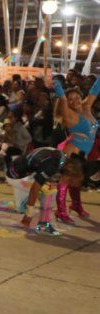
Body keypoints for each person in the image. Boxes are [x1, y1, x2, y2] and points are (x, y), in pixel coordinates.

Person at [0, 148, 84, 236]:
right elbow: (35, 188)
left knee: (23, 206)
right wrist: (29, 214)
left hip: (23, 171)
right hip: (16, 175)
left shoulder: (63, 160)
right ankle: (44, 225)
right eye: (69, 182)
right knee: (48, 192)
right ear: (68, 174)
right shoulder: (52, 166)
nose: (68, 184)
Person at [53, 78, 99, 224]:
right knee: (66, 181)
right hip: (72, 153)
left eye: (76, 97)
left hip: (82, 154)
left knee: (77, 181)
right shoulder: (69, 115)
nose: (74, 101)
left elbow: (94, 90)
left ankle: (76, 206)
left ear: (81, 96)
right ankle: (60, 211)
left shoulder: (86, 107)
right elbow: (61, 97)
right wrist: (56, 84)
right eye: (70, 99)